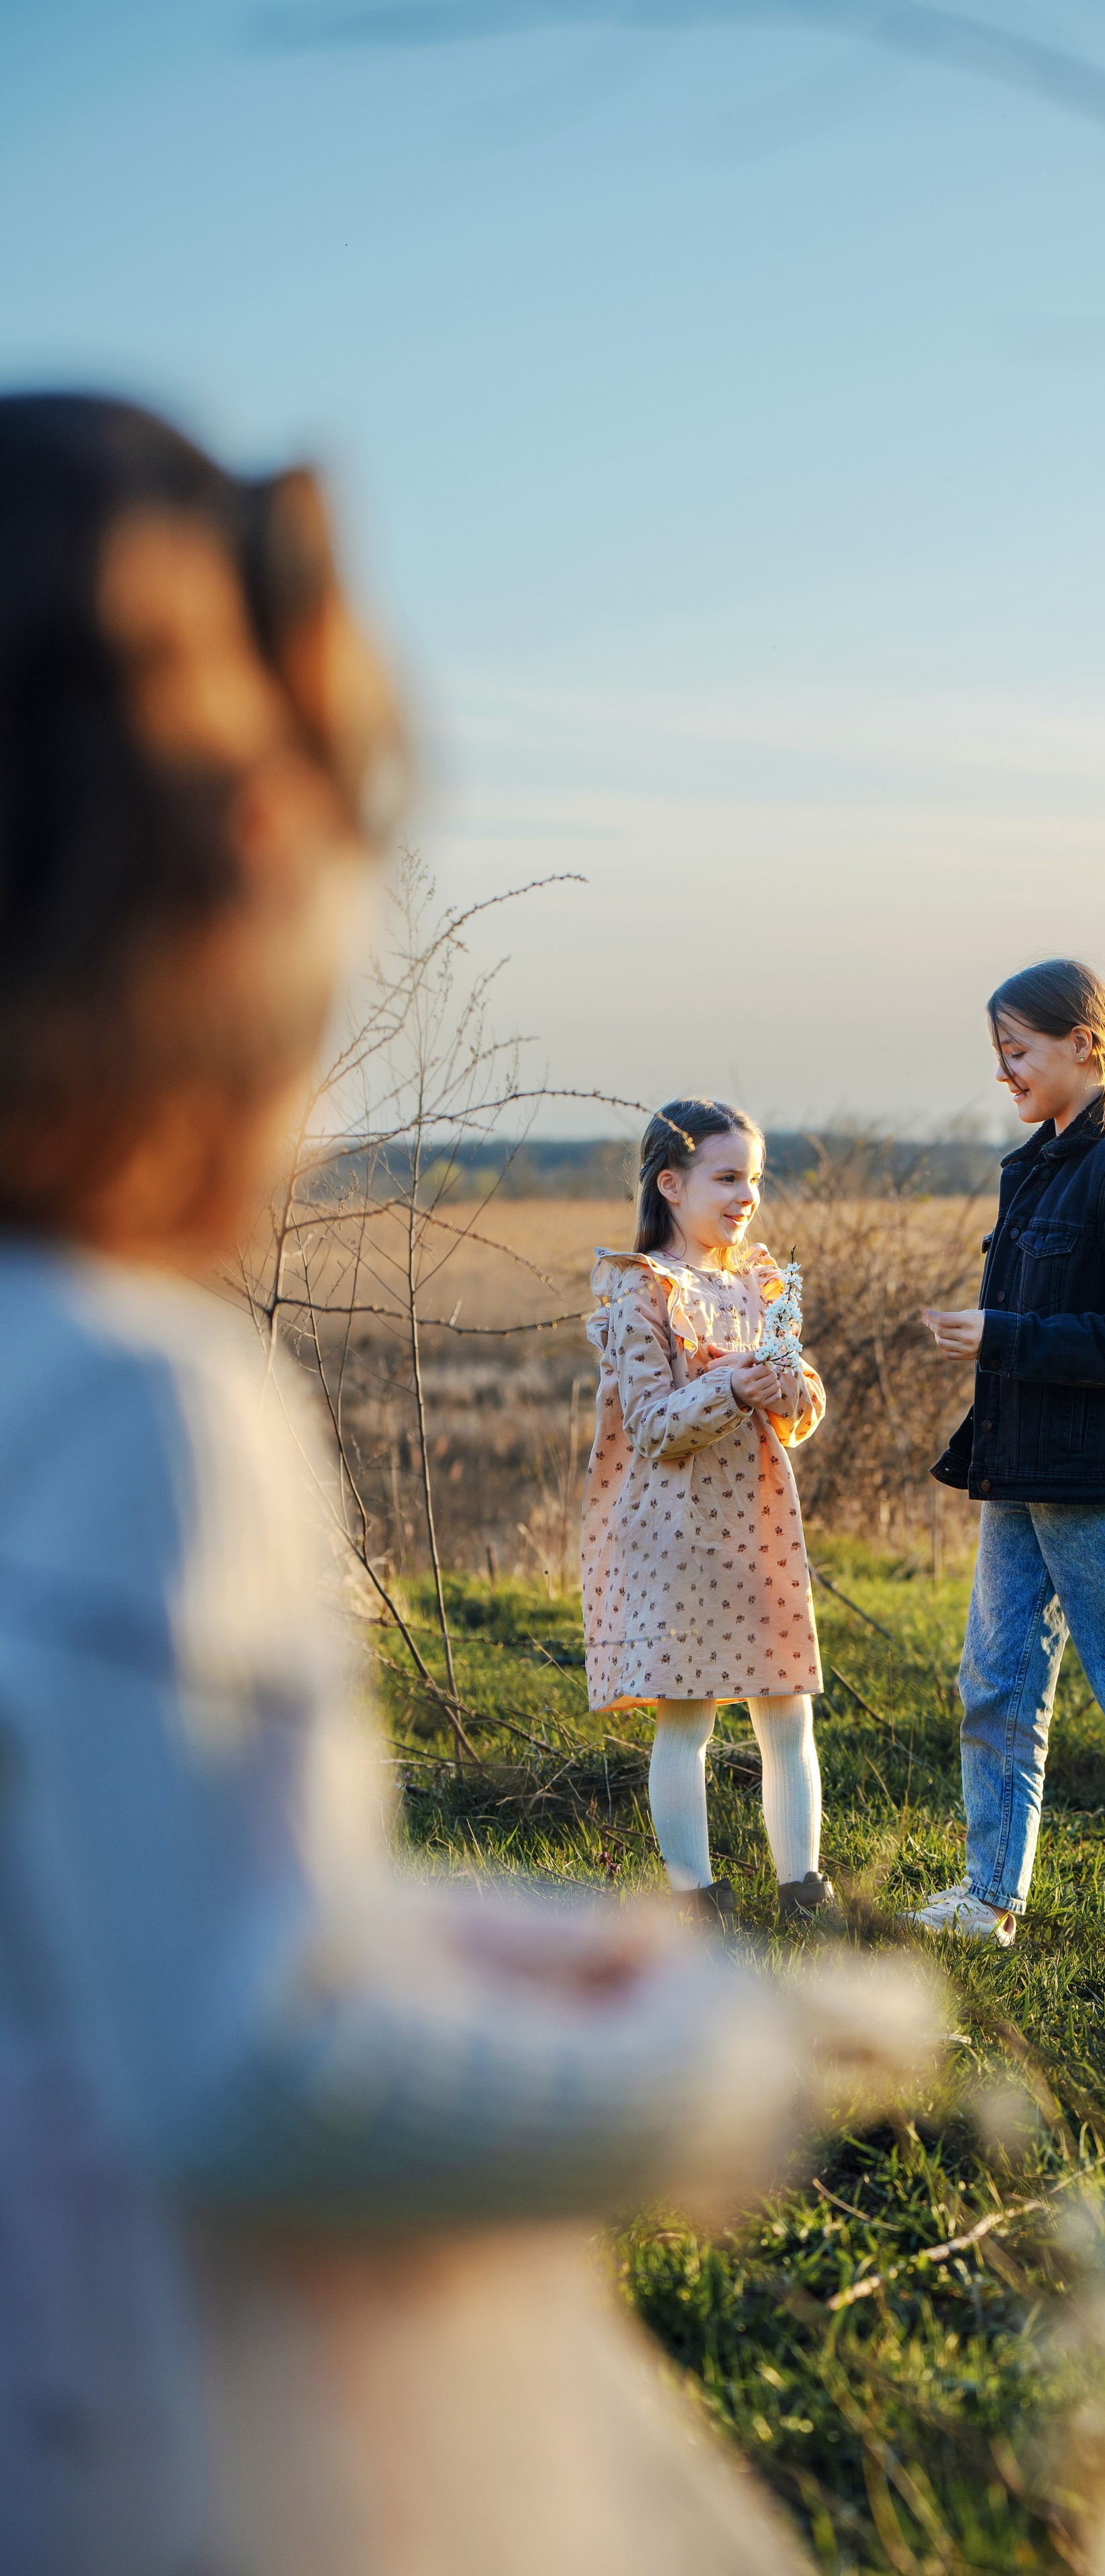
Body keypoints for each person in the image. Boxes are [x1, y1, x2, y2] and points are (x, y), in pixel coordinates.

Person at [0, 393, 934, 2576]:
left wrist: (508, 1947)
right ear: (237, 889)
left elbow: (105, 1920)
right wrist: (717, 2086)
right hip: (136, 2424)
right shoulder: (141, 1403)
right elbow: (235, 2078)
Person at [912, 958, 1105, 1957]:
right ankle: (989, 1898)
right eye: (998, 1054)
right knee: (997, 1690)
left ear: (1084, 1046)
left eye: (1019, 1051)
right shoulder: (1039, 1166)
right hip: (1019, 1478)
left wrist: (1000, 1332)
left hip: (1102, 1486)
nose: (1004, 1072)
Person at [582, 1102, 835, 1929]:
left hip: (762, 1523)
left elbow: (802, 1412)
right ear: (671, 1183)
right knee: (686, 1716)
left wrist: (781, 1384)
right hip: (677, 1529)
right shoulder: (639, 1289)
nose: (746, 1197)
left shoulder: (759, 1282)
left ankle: (803, 1888)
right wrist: (728, 1386)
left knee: (785, 1704)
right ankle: (695, 1899)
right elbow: (652, 1426)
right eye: (727, 1178)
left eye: (755, 1179)